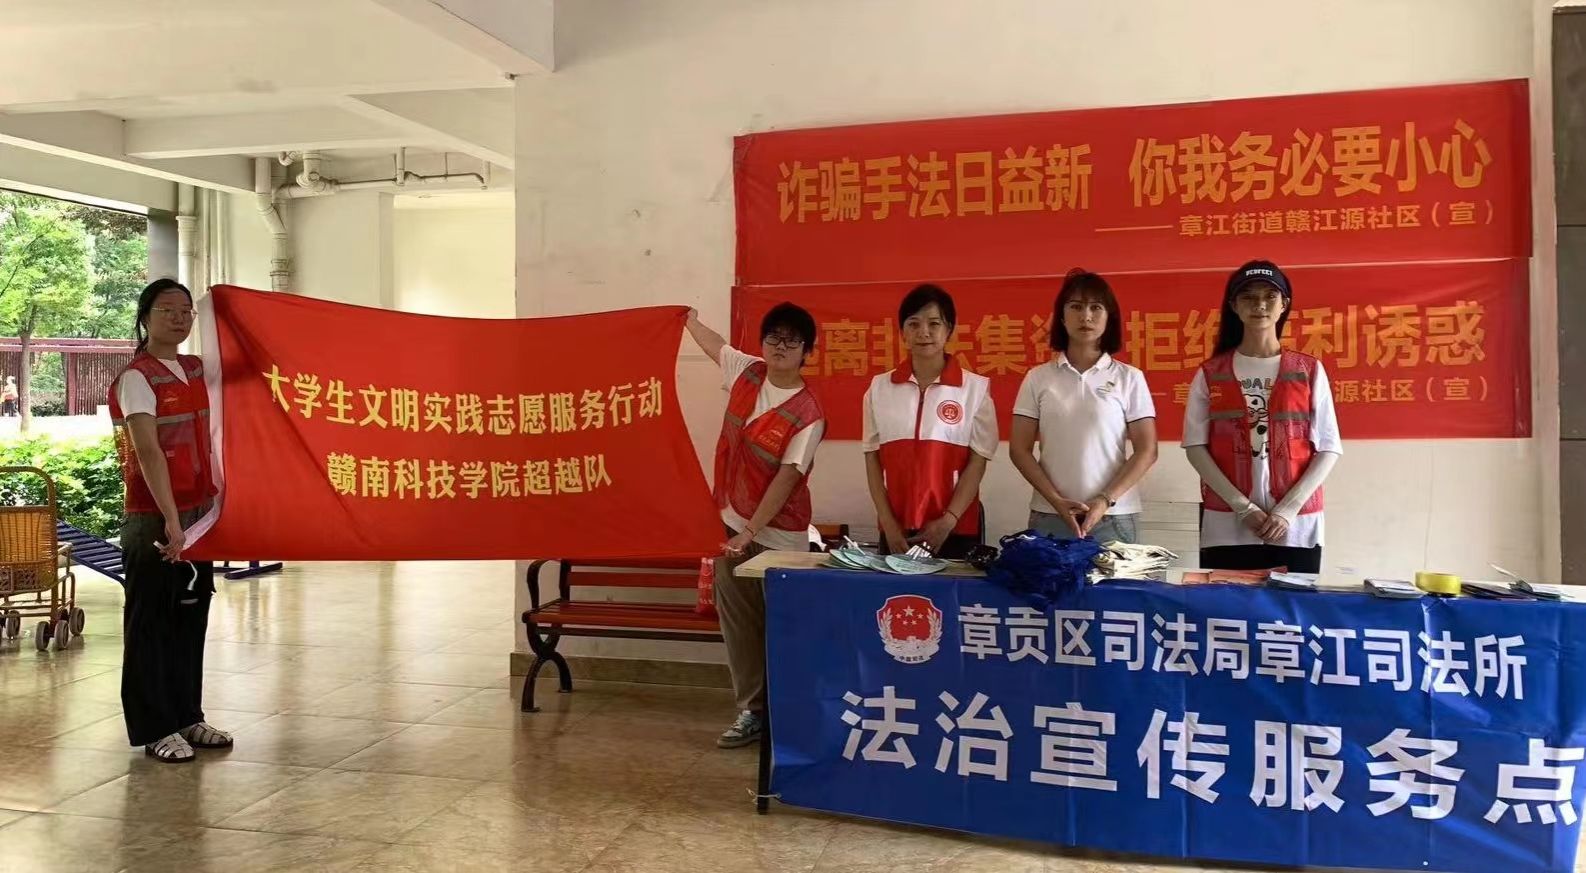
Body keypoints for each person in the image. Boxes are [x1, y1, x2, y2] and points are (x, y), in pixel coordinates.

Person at [685, 303, 825, 749]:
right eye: (773, 337)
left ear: (806, 352)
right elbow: (715, 346)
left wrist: (750, 532)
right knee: (740, 626)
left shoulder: (808, 413)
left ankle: (793, 714)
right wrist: (686, 319)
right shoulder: (748, 373)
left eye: (792, 340)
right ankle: (751, 711)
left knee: (785, 627)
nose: (781, 346)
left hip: (780, 537)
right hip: (730, 524)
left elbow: (787, 479)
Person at [108, 279, 231, 763]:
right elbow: (148, 452)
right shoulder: (137, 377)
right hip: (155, 517)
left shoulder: (196, 368)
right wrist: (172, 522)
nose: (179, 319)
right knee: (151, 621)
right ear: (145, 316)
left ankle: (186, 716)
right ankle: (154, 727)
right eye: (168, 310)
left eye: (186, 311)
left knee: (190, 615)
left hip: (198, 513)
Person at [1182, 260, 1341, 573]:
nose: (1260, 305)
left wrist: (1287, 510)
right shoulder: (1211, 373)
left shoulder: (1308, 370)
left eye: (1270, 296)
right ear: (1234, 306)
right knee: (1227, 604)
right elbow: (1195, 447)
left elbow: (1329, 447)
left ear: (1284, 304)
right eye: (1249, 297)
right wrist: (1243, 508)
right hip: (1227, 522)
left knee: (1292, 605)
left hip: (1296, 525)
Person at [1011, 270, 1157, 543]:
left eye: (1096, 307)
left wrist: (1105, 499)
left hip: (1114, 516)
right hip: (1050, 515)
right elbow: (1019, 449)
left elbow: (1147, 450)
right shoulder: (1038, 378)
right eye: (1076, 307)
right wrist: (1055, 500)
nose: (1086, 316)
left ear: (1109, 317)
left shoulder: (1129, 377)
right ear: (1062, 316)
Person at [862, 284, 996, 558]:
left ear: (949, 330)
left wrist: (948, 520)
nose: (924, 332)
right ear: (902, 332)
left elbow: (978, 462)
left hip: (954, 529)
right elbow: (872, 458)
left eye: (934, 323)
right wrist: (887, 523)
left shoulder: (975, 389)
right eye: (914, 324)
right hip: (896, 530)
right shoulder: (879, 388)